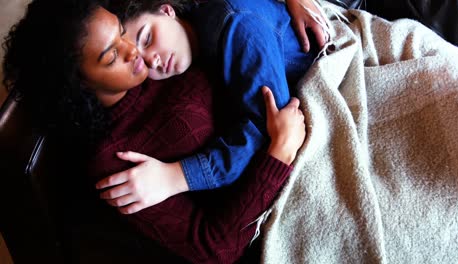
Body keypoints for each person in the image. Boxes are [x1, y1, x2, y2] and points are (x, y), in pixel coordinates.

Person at [2, 0, 309, 262]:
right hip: (282, 166)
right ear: (77, 86)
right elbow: (216, 247)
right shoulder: (115, 160)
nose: (134, 53)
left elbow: (236, 22)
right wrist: (278, 153)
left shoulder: (163, 49)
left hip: (291, 91)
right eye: (111, 56)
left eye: (122, 33)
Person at [98, 0, 328, 213]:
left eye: (147, 38)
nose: (154, 61)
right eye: (143, 62)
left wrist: (175, 176)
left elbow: (272, 131)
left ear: (167, 11)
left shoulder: (236, 27)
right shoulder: (196, 43)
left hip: (321, 54)